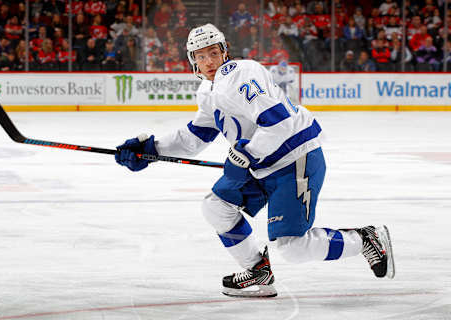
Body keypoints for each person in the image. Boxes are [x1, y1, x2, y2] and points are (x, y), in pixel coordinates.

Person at [114, 23, 396, 298]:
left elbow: (280, 123)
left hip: (295, 159)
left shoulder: (240, 74)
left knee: (292, 248)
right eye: (201, 56)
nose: (209, 61)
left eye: (213, 52)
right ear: (193, 62)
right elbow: (194, 137)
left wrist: (245, 155)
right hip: (262, 164)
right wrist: (151, 150)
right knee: (216, 207)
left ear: (225, 52)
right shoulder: (208, 92)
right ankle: (257, 269)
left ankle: (365, 238)